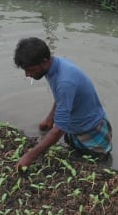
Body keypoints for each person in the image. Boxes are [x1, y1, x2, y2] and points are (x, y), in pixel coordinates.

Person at [13, 37, 112, 170]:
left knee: (99, 166)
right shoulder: (53, 67)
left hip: (92, 133)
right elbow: (62, 98)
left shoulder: (65, 81)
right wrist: (50, 118)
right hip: (76, 128)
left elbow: (59, 128)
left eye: (30, 69)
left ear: (44, 61)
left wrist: (30, 156)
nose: (27, 75)